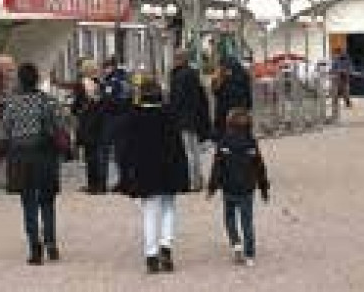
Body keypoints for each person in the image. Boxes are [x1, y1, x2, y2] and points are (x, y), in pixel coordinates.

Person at [115, 78, 190, 274]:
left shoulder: (133, 117)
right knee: (169, 209)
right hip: (169, 170)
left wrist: (125, 174)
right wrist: (184, 174)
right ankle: (166, 246)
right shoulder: (169, 115)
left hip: (145, 171)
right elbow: (179, 147)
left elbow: (125, 150)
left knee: (150, 212)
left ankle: (151, 254)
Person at [0, 63, 63, 265]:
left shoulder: (11, 104)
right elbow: (60, 128)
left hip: (20, 157)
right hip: (45, 156)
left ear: (20, 81)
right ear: (37, 79)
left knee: (28, 202)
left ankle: (35, 248)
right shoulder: (48, 101)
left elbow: (4, 135)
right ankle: (51, 243)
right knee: (47, 201)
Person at [206, 107, 271, 267]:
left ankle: (236, 243)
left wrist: (212, 187)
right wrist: (263, 188)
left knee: (229, 218)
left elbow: (217, 167)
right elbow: (260, 167)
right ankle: (249, 254)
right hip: (247, 189)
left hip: (229, 188)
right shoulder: (251, 143)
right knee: (247, 221)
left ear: (228, 124)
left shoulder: (223, 142)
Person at [168, 49, 211, 190]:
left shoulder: (178, 76)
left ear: (179, 60)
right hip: (194, 118)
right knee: (195, 151)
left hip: (183, 119)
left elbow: (177, 99)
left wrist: (171, 114)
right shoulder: (194, 74)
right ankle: (199, 179)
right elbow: (202, 97)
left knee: (187, 151)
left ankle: (192, 182)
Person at [70, 57, 106, 192]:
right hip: (99, 122)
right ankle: (100, 184)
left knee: (90, 155)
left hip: (87, 122)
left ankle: (93, 185)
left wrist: (73, 110)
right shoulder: (101, 84)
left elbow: (77, 104)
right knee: (99, 153)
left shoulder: (81, 84)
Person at [98, 56, 133, 186]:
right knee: (121, 151)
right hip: (125, 118)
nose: (103, 71)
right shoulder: (126, 79)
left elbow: (108, 100)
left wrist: (101, 98)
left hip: (112, 118)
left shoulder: (111, 81)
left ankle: (102, 183)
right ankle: (125, 180)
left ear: (110, 67)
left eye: (104, 68)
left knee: (104, 150)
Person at [212, 57, 253, 139]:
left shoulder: (221, 78)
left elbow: (216, 93)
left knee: (227, 138)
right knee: (242, 135)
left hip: (225, 115)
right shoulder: (243, 76)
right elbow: (248, 94)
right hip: (240, 112)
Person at [329, 51, 354, 117]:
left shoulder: (347, 61)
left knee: (345, 93)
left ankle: (347, 103)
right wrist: (337, 72)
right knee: (335, 94)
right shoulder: (335, 61)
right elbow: (332, 70)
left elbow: (350, 69)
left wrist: (345, 71)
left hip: (344, 79)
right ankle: (335, 106)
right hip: (336, 79)